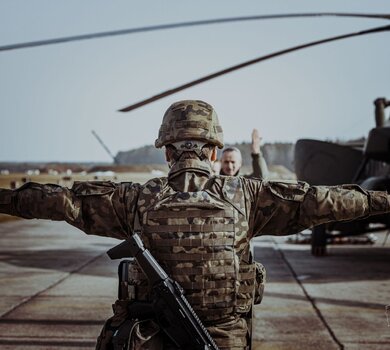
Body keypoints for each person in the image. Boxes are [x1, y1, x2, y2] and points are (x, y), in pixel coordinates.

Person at [0, 99, 389, 350]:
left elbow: (59, 201)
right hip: (224, 340)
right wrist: (383, 199)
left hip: (150, 340)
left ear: (167, 151)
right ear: (215, 150)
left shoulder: (134, 199)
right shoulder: (248, 197)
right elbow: (325, 201)